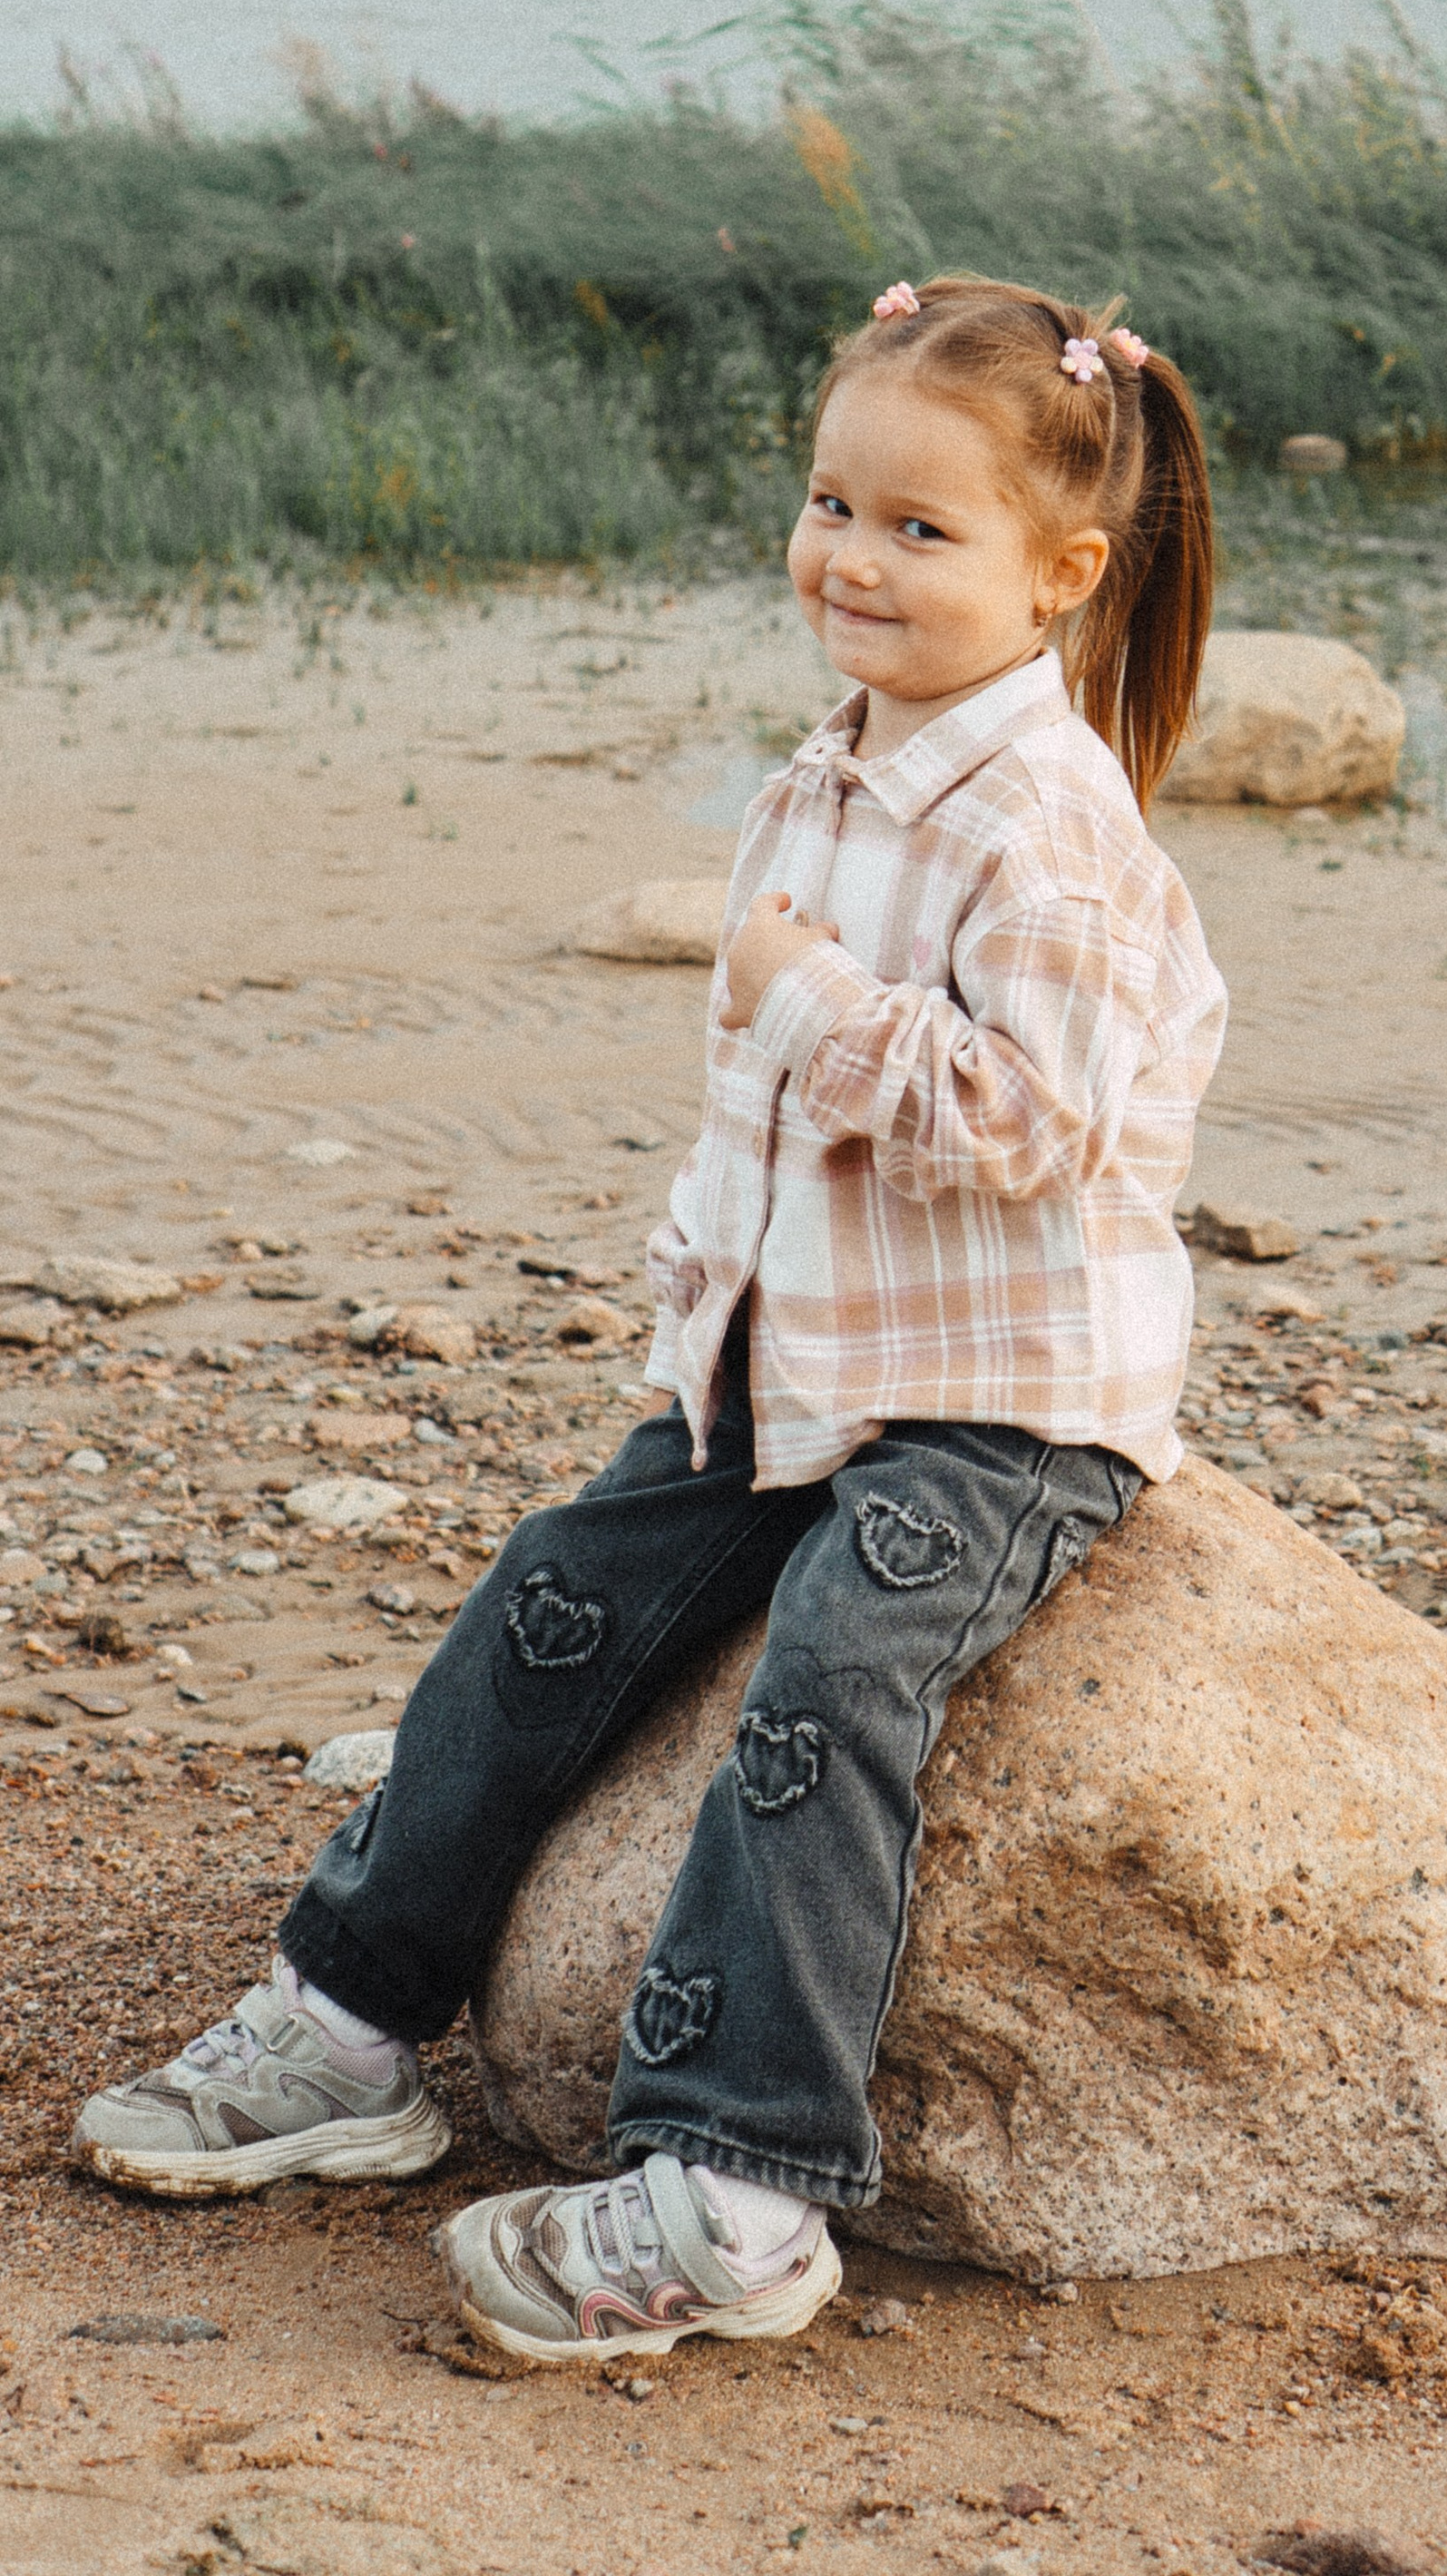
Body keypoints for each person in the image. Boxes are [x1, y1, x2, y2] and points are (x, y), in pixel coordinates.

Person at [73, 275, 1228, 2369]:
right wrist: (701, 1325)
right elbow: (768, 1150)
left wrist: (808, 999)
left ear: (1061, 575)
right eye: (829, 502)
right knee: (555, 1599)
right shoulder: (832, 772)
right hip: (791, 1370)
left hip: (997, 1402)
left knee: (830, 1680)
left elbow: (1033, 1127)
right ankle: (348, 2019)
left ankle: (738, 2192)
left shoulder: (1048, 827)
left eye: (918, 529)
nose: (851, 558)